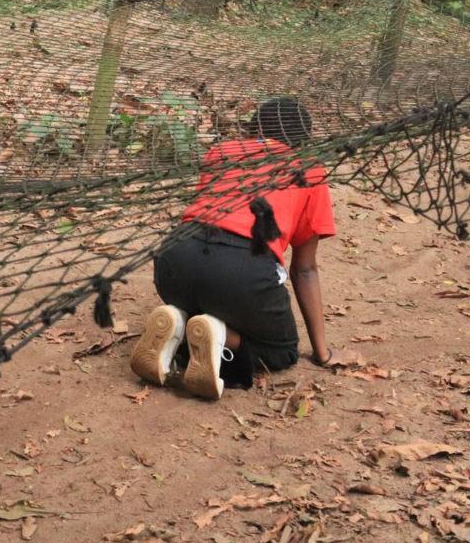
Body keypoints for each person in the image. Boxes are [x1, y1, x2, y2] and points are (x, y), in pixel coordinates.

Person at [129, 97, 349, 400]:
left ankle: (179, 322)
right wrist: (322, 353)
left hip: (174, 258)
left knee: (207, 299)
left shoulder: (222, 151)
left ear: (254, 128)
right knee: (282, 351)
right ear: (303, 140)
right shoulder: (309, 169)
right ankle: (221, 337)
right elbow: (305, 269)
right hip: (241, 268)